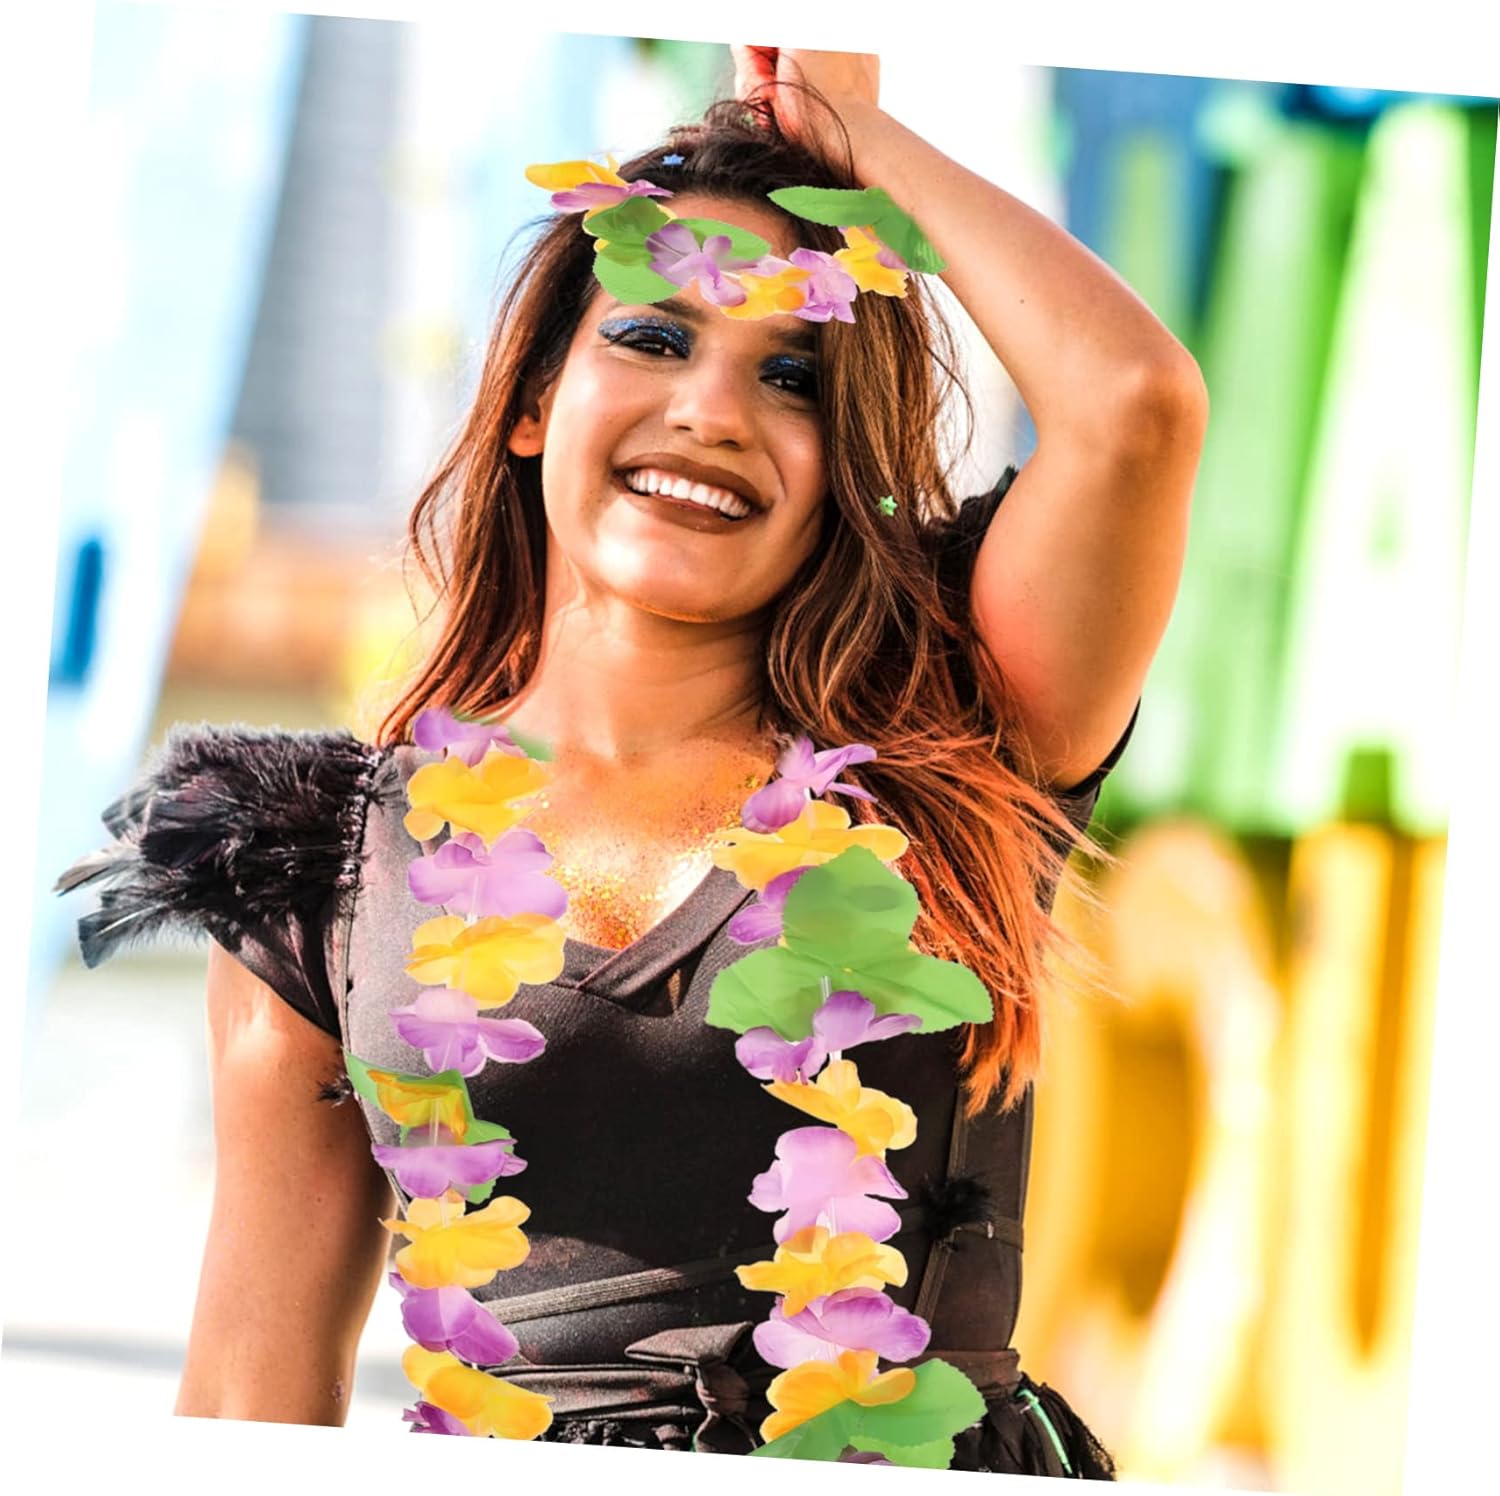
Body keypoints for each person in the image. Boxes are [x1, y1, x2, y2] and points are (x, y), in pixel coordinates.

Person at [56, 46, 1206, 1475]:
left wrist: (859, 138)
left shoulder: (961, 729)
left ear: (844, 458)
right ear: (533, 402)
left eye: (792, 376)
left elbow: (1134, 404)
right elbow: (250, 1398)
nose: (711, 412)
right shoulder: (316, 866)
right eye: (654, 340)